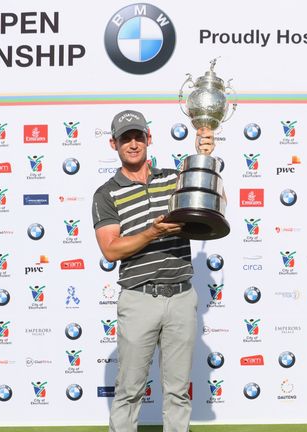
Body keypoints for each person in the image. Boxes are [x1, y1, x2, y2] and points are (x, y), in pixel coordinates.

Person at [92, 109, 214, 432]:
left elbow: (212, 204)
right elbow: (110, 248)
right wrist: (152, 233)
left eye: (137, 136)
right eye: (125, 139)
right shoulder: (106, 194)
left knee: (177, 392)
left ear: (149, 139)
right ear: (113, 144)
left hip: (181, 296)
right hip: (139, 298)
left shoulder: (173, 179)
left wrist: (204, 157)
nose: (132, 144)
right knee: (129, 391)